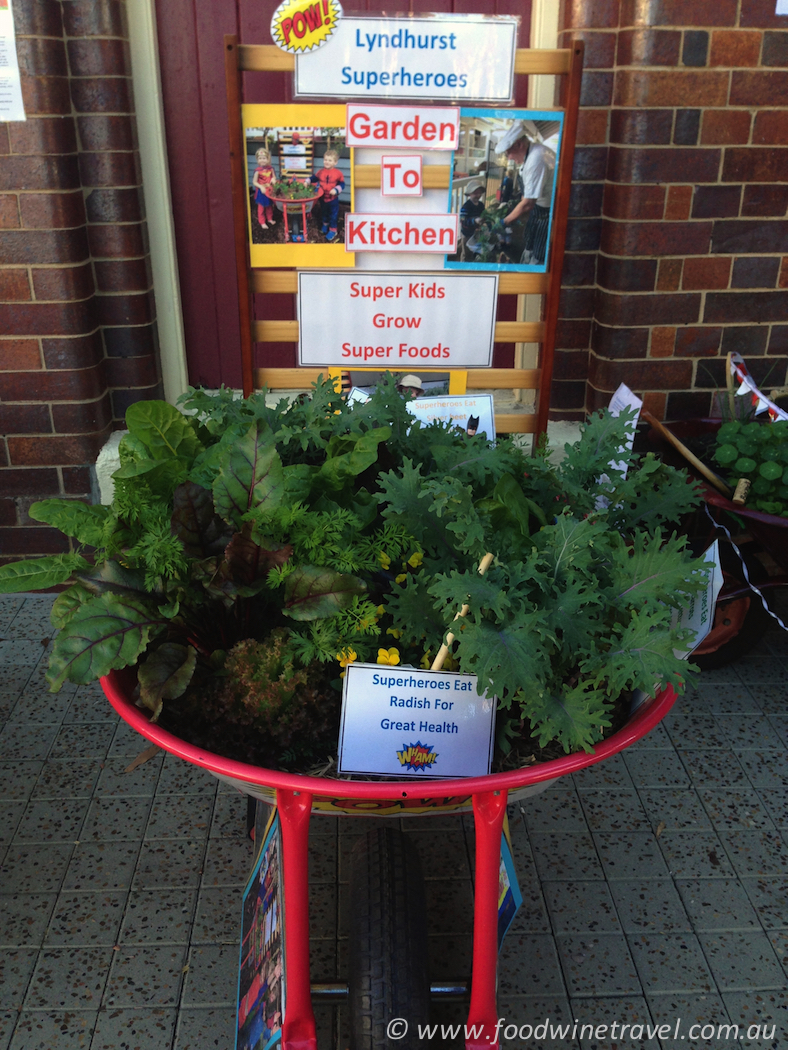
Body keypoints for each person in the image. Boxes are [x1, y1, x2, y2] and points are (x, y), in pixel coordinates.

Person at [495, 120, 555, 265]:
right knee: (529, 244)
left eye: (509, 153)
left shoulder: (536, 158)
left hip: (547, 214)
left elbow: (528, 203)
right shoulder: (529, 156)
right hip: (537, 209)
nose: (509, 158)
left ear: (519, 144)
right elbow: (524, 196)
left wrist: (504, 222)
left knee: (539, 254)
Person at [310, 149, 344, 242]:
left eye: (330, 160)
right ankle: (325, 224)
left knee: (333, 214)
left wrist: (336, 189)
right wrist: (307, 180)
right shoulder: (321, 172)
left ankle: (333, 230)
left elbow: (342, 184)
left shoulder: (338, 173)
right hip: (323, 198)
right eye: (325, 160)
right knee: (324, 212)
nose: (327, 162)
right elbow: (314, 178)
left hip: (333, 199)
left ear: (335, 162)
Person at [252, 148, 276, 230]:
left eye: (264, 158)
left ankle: (269, 219)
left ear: (268, 159)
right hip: (261, 192)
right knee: (261, 207)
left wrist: (273, 179)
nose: (262, 160)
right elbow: (254, 182)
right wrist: (261, 186)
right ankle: (262, 222)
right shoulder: (257, 171)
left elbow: (273, 177)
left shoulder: (271, 169)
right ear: (257, 160)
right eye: (260, 158)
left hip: (269, 190)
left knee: (269, 206)